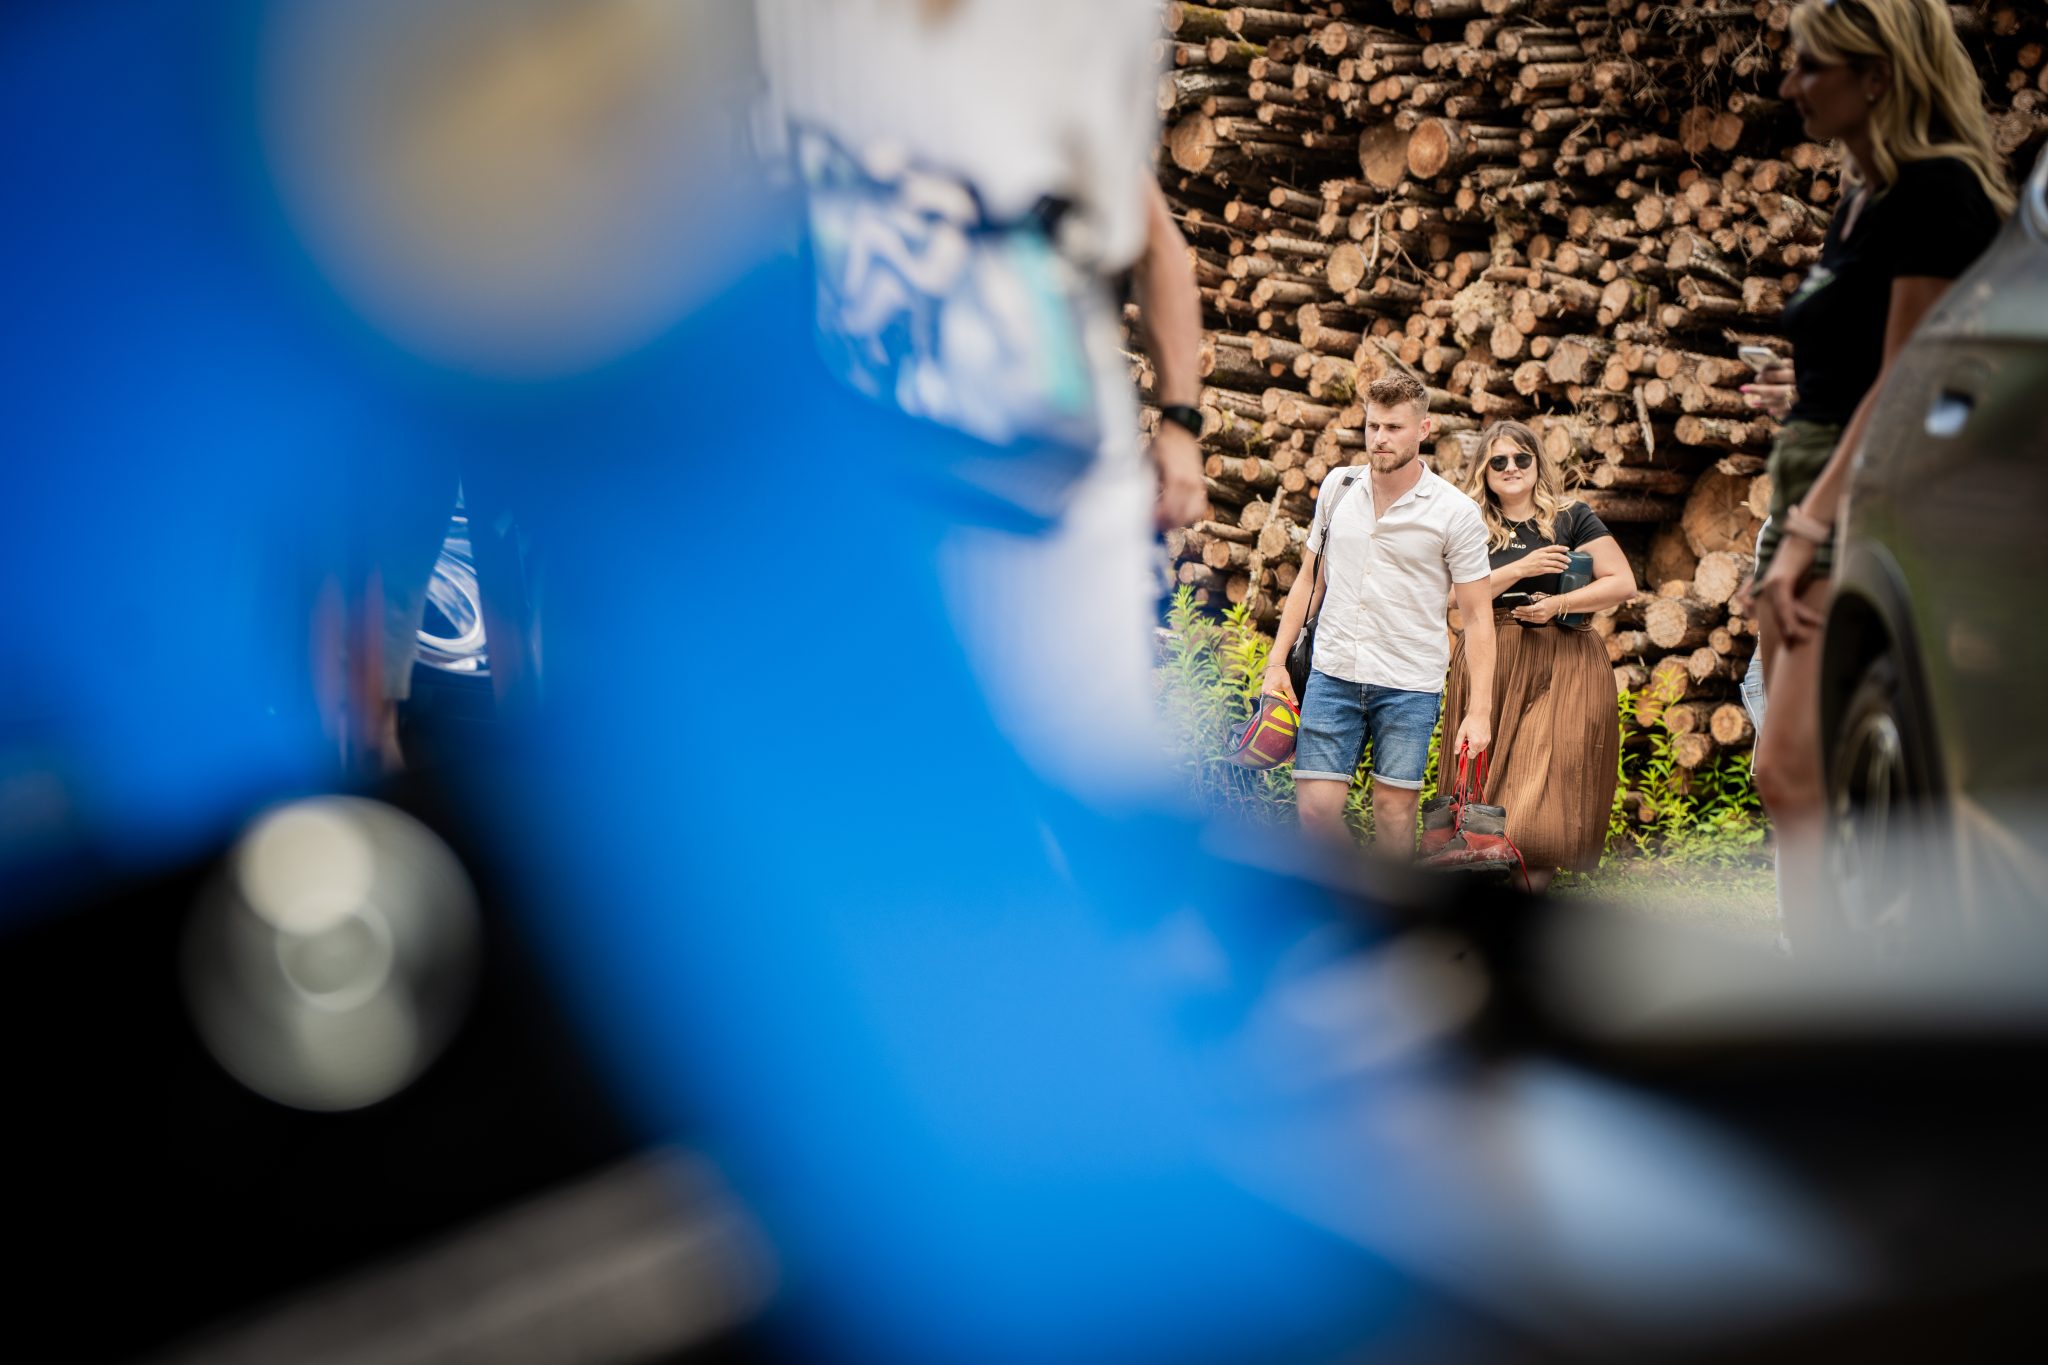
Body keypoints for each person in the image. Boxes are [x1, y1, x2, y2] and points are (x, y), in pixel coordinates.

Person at [754, 0, 1205, 808]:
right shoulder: (803, 43)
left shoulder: (1042, 48)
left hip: (1045, 474)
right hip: (863, 462)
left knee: (1081, 779)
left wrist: (1180, 425)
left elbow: (1158, 247)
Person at [1749, 0, 2010, 947]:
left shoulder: (1937, 192)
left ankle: (1844, 1004)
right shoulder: (1862, 198)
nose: (1789, 84)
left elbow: (1906, 387)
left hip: (1867, 500)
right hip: (1810, 476)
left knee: (1796, 773)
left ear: (1877, 75)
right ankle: (1825, 985)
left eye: (1809, 65)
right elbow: (1870, 360)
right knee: (1809, 785)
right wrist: (1800, 387)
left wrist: (1809, 531)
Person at [1263, 371, 1495, 854]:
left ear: (1424, 429)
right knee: (1314, 812)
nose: (1380, 439)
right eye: (1373, 426)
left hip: (1408, 683)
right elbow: (1309, 581)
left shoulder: (1455, 512)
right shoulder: (1338, 487)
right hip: (1332, 673)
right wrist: (1277, 661)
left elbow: (1477, 618)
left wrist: (1480, 711)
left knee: (1393, 813)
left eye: (1393, 428)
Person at [1440, 421, 1637, 892]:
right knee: (1488, 785)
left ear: (1536, 463)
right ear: (1484, 470)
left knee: (1546, 786)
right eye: (1498, 461)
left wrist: (1558, 604)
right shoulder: (1468, 521)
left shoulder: (1571, 516)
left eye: (1521, 458)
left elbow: (1622, 582)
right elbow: (1448, 596)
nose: (1511, 468)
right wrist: (1521, 568)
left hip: (1563, 659)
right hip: (1493, 658)